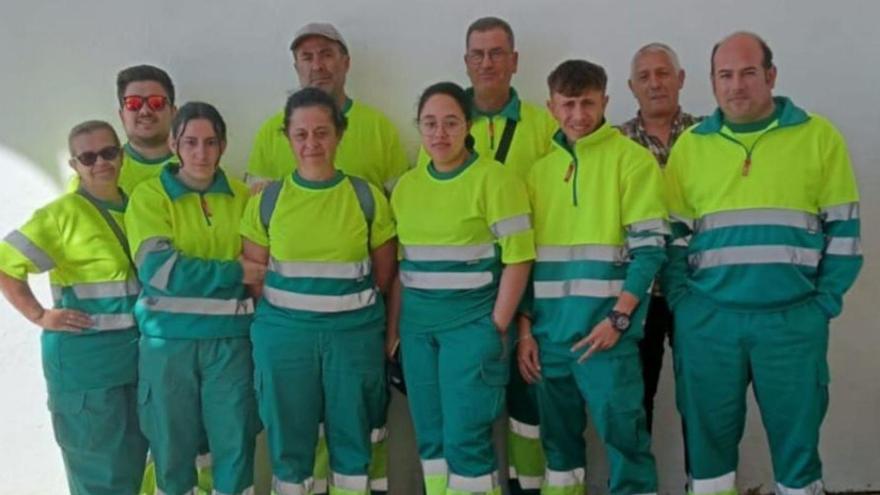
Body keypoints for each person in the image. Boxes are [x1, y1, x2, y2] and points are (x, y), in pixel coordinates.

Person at [663, 32, 862, 495]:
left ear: (770, 75)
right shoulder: (691, 146)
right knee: (708, 456)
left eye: (748, 73)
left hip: (792, 324)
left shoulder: (817, 137)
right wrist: (685, 305)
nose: (737, 86)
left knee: (797, 453)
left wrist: (821, 306)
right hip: (709, 325)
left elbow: (846, 235)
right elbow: (672, 238)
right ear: (712, 83)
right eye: (725, 75)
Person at [240, 87, 397, 495]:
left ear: (339, 135)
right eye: (301, 134)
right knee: (290, 449)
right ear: (288, 137)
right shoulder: (268, 200)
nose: (312, 143)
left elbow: (384, 274)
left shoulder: (366, 197)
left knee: (352, 444)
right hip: (285, 341)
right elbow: (254, 275)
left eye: (322, 132)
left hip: (354, 339)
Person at [519, 60, 665, 495]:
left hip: (608, 340)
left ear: (605, 101)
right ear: (551, 107)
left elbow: (651, 250)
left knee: (627, 446)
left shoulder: (633, 162)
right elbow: (523, 261)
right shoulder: (538, 173)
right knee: (559, 455)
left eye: (587, 103)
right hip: (549, 343)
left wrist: (618, 320)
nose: (578, 115)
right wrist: (526, 332)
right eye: (568, 104)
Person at [390, 81, 535, 495]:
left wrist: (497, 326)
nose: (440, 133)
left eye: (450, 122)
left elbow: (519, 257)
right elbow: (403, 267)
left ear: (467, 125)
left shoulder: (496, 181)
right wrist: (396, 332)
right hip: (419, 334)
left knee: (466, 441)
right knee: (432, 441)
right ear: (419, 128)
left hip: (472, 330)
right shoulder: (407, 187)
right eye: (430, 123)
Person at [0, 120, 147, 494]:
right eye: (88, 156)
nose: (100, 162)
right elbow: (5, 265)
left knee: (134, 473)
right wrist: (39, 315)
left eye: (108, 152)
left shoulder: (137, 207)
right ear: (75, 165)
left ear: (122, 154)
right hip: (87, 375)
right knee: (100, 476)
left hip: (134, 366)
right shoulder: (60, 215)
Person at [125, 102, 262, 495]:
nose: (201, 153)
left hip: (231, 345)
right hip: (168, 345)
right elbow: (161, 272)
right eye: (190, 142)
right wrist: (233, 271)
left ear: (223, 146)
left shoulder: (242, 196)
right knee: (172, 451)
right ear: (173, 144)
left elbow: (262, 263)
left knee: (235, 446)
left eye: (210, 142)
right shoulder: (149, 197)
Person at [618, 42, 700, 431]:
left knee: (702, 398)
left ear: (681, 79)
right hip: (638, 294)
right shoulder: (615, 145)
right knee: (635, 401)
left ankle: (703, 486)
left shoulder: (709, 137)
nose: (655, 84)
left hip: (699, 288)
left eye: (663, 73)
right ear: (631, 87)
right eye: (644, 77)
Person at [246, 22, 408, 193]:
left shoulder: (379, 129)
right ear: (296, 68)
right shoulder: (271, 131)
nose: (317, 66)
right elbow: (255, 202)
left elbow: (402, 200)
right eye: (307, 57)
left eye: (326, 55)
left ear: (346, 63)